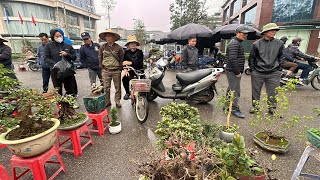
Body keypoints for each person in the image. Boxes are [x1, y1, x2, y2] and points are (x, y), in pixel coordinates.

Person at [248, 23, 285, 115]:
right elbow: (251, 58)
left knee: (273, 92)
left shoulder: (280, 43)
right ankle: (255, 107)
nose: (274, 32)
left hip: (274, 72)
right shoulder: (256, 44)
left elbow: (281, 57)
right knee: (256, 91)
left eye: (275, 30)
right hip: (258, 72)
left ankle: (272, 108)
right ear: (265, 32)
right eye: (271, 30)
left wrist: (279, 69)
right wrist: (253, 70)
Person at [44, 28, 78, 106]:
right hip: (56, 71)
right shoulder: (49, 46)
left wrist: (67, 54)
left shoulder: (68, 46)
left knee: (70, 89)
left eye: (60, 35)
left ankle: (70, 104)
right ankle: (60, 105)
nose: (59, 37)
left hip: (67, 71)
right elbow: (46, 58)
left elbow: (74, 57)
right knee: (58, 89)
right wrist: (56, 64)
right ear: (53, 37)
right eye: (57, 36)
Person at [225, 25, 250, 118]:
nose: (245, 35)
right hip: (233, 71)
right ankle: (234, 109)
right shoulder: (234, 43)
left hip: (232, 71)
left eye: (246, 34)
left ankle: (227, 106)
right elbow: (232, 59)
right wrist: (237, 72)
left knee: (231, 89)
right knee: (235, 91)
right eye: (243, 34)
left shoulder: (237, 43)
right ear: (237, 33)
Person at [99, 29, 124, 108]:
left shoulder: (119, 48)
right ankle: (107, 101)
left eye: (110, 36)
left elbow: (121, 58)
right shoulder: (103, 47)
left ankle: (117, 101)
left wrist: (120, 69)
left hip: (116, 71)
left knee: (118, 87)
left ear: (113, 37)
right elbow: (100, 57)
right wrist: (102, 67)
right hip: (106, 70)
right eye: (106, 36)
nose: (108, 38)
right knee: (106, 88)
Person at [122, 35, 144, 100]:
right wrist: (125, 69)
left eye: (134, 43)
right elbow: (123, 63)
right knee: (125, 78)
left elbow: (139, 62)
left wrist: (129, 63)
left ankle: (143, 94)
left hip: (139, 71)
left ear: (136, 44)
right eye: (131, 43)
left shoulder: (140, 52)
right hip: (131, 70)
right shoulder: (126, 53)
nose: (133, 45)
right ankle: (127, 93)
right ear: (128, 45)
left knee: (143, 83)